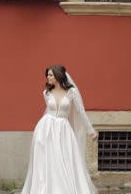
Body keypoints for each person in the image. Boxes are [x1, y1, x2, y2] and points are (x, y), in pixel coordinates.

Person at [21, 64, 98, 194]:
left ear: (58, 75)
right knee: (45, 161)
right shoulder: (46, 93)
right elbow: (48, 111)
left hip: (63, 131)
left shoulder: (72, 92)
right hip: (45, 130)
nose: (47, 77)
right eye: (48, 75)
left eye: (50, 75)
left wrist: (91, 131)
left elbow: (81, 112)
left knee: (64, 160)